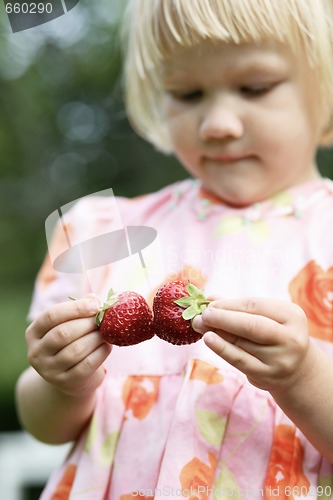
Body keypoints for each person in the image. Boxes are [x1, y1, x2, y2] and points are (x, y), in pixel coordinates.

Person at [16, 0, 333, 498]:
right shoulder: (102, 232)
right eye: (186, 93)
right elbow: (44, 425)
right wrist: (62, 383)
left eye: (255, 87)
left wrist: (304, 377)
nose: (218, 124)